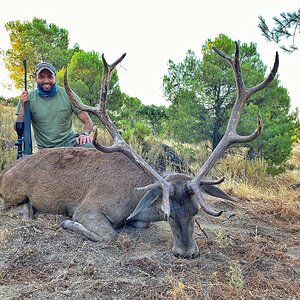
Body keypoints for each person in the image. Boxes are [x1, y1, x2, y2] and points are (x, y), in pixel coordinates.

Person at [15, 62, 94, 149]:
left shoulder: (68, 94)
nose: (46, 81)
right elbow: (20, 132)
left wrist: (84, 134)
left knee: (91, 148)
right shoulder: (27, 98)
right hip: (46, 150)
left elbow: (88, 121)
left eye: (50, 76)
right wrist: (23, 107)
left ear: (55, 77)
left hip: (69, 143)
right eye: (41, 77)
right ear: (36, 79)